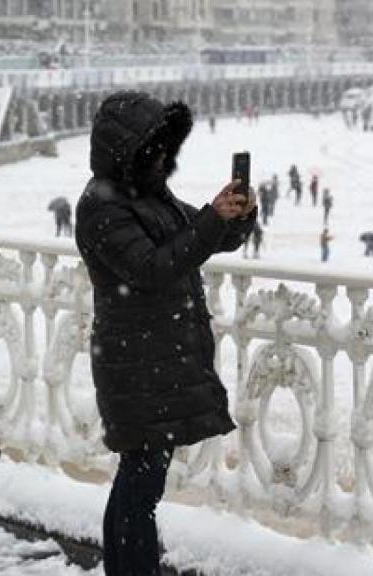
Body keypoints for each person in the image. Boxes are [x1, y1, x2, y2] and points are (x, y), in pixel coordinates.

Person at [75, 91, 256, 576]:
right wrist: (210, 221)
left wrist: (233, 219)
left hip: (157, 357)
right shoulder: (101, 207)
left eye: (163, 146)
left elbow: (186, 243)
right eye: (152, 147)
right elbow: (153, 267)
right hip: (134, 362)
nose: (161, 156)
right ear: (125, 150)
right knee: (141, 483)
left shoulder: (145, 193)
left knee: (140, 479)